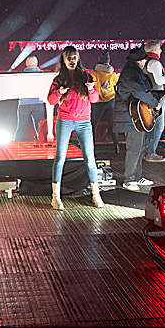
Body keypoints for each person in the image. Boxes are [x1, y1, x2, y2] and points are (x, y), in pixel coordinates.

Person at [47, 46, 102, 210]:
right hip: (65, 120)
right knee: (60, 159)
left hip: (84, 122)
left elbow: (94, 99)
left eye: (74, 58)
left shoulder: (86, 76)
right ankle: (55, 197)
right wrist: (59, 92)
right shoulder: (59, 78)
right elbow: (50, 100)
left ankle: (96, 195)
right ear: (63, 60)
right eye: (69, 58)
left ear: (78, 59)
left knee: (90, 160)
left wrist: (91, 88)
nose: (72, 61)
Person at [113, 47, 165, 191]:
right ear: (140, 61)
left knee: (139, 148)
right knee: (134, 148)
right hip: (130, 117)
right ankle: (129, 179)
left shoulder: (132, 71)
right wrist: (155, 103)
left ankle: (137, 177)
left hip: (134, 116)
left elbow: (143, 91)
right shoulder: (131, 73)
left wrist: (162, 94)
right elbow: (140, 92)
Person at [142, 40, 165, 163]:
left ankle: (146, 151)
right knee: (159, 126)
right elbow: (159, 81)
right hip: (157, 98)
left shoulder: (144, 62)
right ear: (154, 50)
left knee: (148, 125)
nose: (161, 50)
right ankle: (151, 153)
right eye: (159, 48)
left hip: (146, 97)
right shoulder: (155, 63)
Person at [89, 51, 120, 154]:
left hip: (97, 102)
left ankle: (92, 147)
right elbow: (117, 84)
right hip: (110, 100)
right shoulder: (113, 74)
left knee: (93, 124)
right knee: (112, 124)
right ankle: (116, 146)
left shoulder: (94, 74)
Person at [14, 56, 46, 142]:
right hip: (38, 103)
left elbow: (16, 90)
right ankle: (41, 144)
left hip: (24, 103)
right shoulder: (41, 76)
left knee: (20, 128)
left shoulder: (20, 76)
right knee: (40, 129)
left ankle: (15, 146)